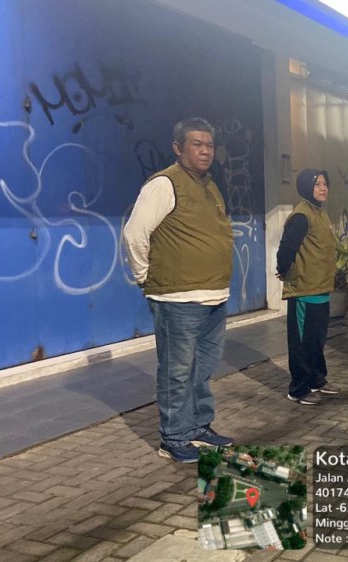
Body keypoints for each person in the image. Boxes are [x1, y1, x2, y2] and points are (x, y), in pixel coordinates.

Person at [123, 117, 235, 463]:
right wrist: (144, 276)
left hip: (214, 295)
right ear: (178, 148)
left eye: (209, 145)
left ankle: (198, 427)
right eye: (196, 144)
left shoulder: (209, 185)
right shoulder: (164, 184)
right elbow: (134, 233)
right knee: (177, 371)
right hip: (177, 299)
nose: (205, 151)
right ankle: (173, 437)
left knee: (202, 370)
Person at [276, 169, 338, 406]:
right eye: (317, 184)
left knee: (316, 340)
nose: (323, 188)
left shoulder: (320, 213)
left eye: (325, 183)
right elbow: (286, 248)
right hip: (304, 290)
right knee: (301, 344)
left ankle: (317, 380)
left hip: (321, 288)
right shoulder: (301, 216)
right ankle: (299, 389)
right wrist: (284, 269)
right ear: (305, 187)